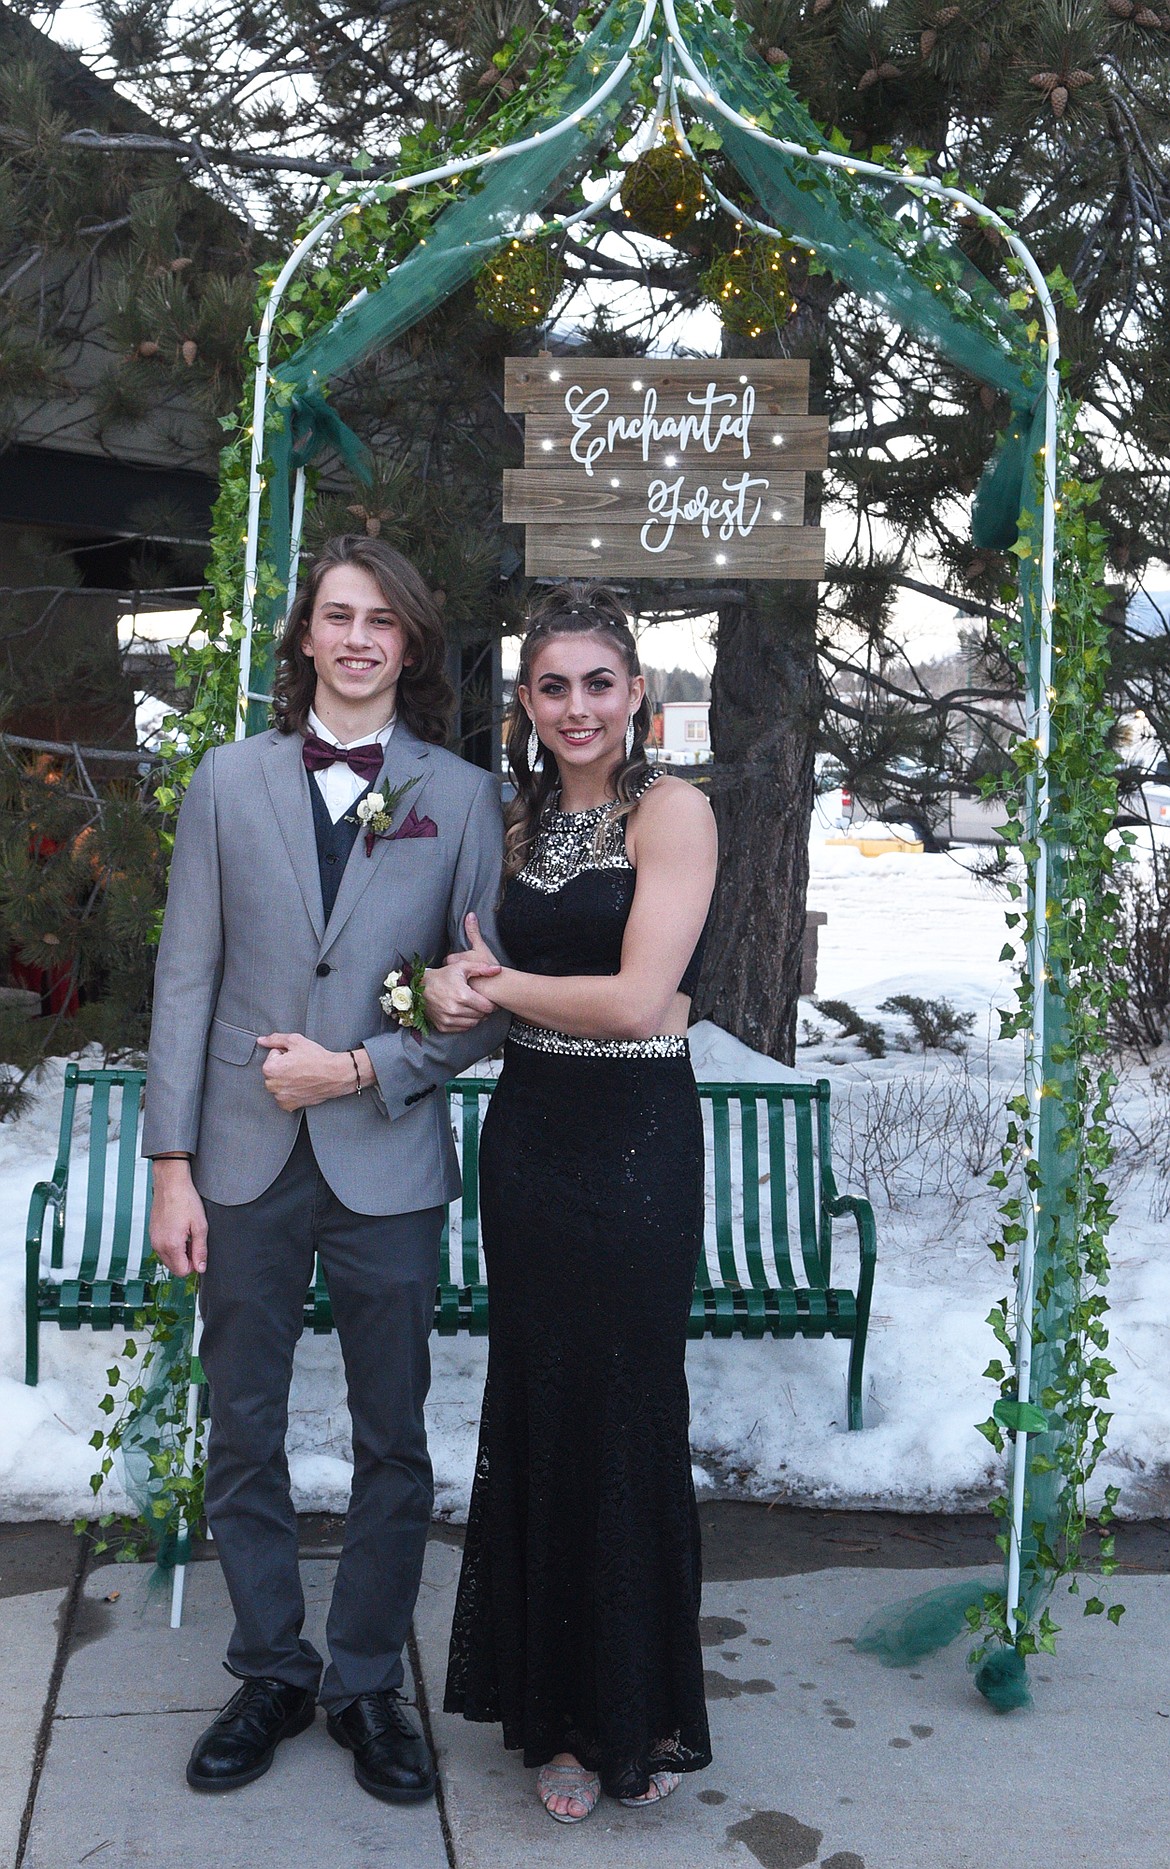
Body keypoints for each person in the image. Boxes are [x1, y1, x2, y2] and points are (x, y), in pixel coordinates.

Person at [142, 536, 509, 1805]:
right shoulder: (226, 782)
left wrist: (364, 1070)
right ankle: (270, 1669)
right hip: (242, 1161)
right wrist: (171, 1164)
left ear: (408, 646)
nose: (357, 639)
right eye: (336, 618)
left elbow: (485, 1005)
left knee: (390, 1436)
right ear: (305, 639)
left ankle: (363, 1684)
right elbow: (185, 980)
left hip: (386, 1162)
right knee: (241, 1426)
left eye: (382, 622)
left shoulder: (457, 797)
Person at [428, 581, 717, 1823]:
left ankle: (634, 1711)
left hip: (638, 1141)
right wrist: (453, 986)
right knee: (541, 1405)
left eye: (600, 682)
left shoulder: (676, 811)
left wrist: (502, 986)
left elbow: (641, 1003)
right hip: (533, 1142)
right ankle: (551, 1719)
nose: (577, 706)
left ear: (638, 693)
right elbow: (461, 958)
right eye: (552, 686)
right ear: (526, 703)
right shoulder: (514, 822)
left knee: (629, 1407)